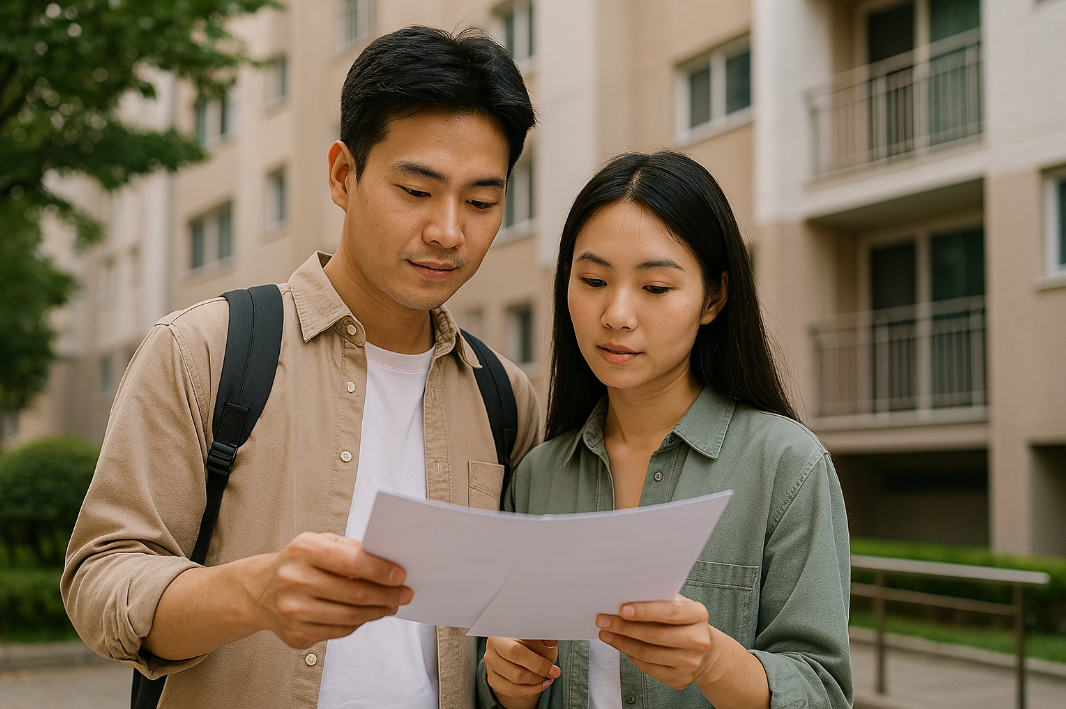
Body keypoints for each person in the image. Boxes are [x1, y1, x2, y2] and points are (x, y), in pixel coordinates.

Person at [62, 25, 540, 709]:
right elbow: (99, 577)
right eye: (416, 190)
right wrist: (249, 593)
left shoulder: (505, 397)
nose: (448, 231)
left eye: (482, 202)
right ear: (343, 175)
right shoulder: (203, 349)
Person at [477, 151, 852, 709]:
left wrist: (713, 661)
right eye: (593, 280)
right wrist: (506, 684)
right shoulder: (538, 475)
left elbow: (823, 691)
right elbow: (503, 674)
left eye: (655, 288)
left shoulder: (786, 465)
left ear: (714, 298)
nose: (618, 314)